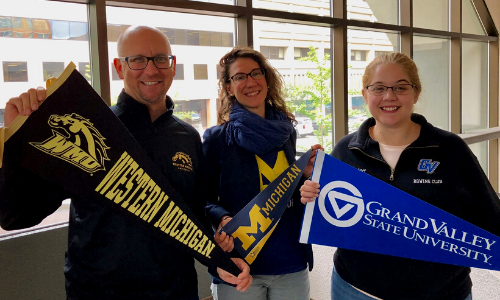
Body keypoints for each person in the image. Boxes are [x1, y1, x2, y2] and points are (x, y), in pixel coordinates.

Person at [0, 26, 251, 300]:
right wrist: (15, 142)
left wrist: (221, 261)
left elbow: (192, 213)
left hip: (175, 288)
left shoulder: (187, 136)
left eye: (160, 59)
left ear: (173, 65)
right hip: (97, 291)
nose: (151, 70)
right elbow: (16, 216)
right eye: (138, 60)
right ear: (119, 68)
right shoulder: (88, 130)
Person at [300, 52, 500, 300]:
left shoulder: (451, 149)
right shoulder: (346, 150)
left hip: (442, 293)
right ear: (365, 95)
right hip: (355, 290)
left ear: (416, 93)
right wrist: (312, 193)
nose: (389, 96)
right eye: (379, 88)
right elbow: (333, 214)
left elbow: (490, 216)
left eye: (400, 87)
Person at [203, 46, 321, 300]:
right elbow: (202, 198)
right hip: (240, 261)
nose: (250, 82)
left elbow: (288, 190)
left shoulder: (286, 132)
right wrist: (221, 218)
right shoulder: (216, 139)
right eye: (239, 76)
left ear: (267, 79)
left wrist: (308, 175)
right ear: (228, 87)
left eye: (256, 73)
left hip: (290, 258)